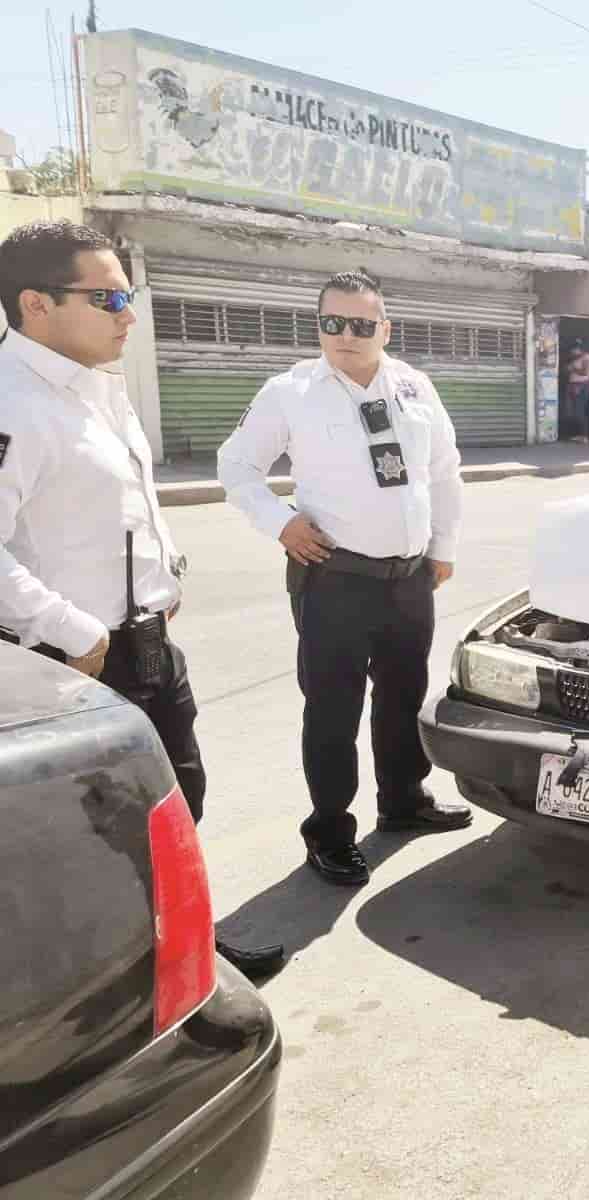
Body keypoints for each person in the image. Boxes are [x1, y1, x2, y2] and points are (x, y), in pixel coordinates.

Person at [0, 220, 283, 979]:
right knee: (92, 837)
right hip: (73, 665)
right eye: (110, 296)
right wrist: (76, 629)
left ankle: (183, 950)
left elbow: (127, 508)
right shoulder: (11, 401)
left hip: (150, 642)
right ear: (35, 302)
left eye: (131, 294)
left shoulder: (98, 387)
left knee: (173, 802)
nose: (129, 314)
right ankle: (112, 985)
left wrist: (167, 577)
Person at [217, 269, 469, 888]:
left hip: (409, 579)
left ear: (383, 328)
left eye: (361, 325)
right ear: (319, 325)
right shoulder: (290, 391)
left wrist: (443, 547)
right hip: (334, 578)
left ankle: (403, 801)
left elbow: (443, 471)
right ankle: (330, 830)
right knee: (332, 707)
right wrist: (280, 523)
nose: (346, 336)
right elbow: (236, 465)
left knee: (404, 693)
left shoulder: (414, 385)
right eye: (333, 323)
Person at [565, 339, 589, 444]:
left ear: (580, 349)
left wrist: (572, 369)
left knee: (580, 411)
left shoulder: (587, 358)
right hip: (574, 386)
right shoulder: (576, 358)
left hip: (581, 387)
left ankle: (584, 436)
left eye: (574, 349)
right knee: (575, 412)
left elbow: (586, 372)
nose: (572, 351)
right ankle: (578, 435)